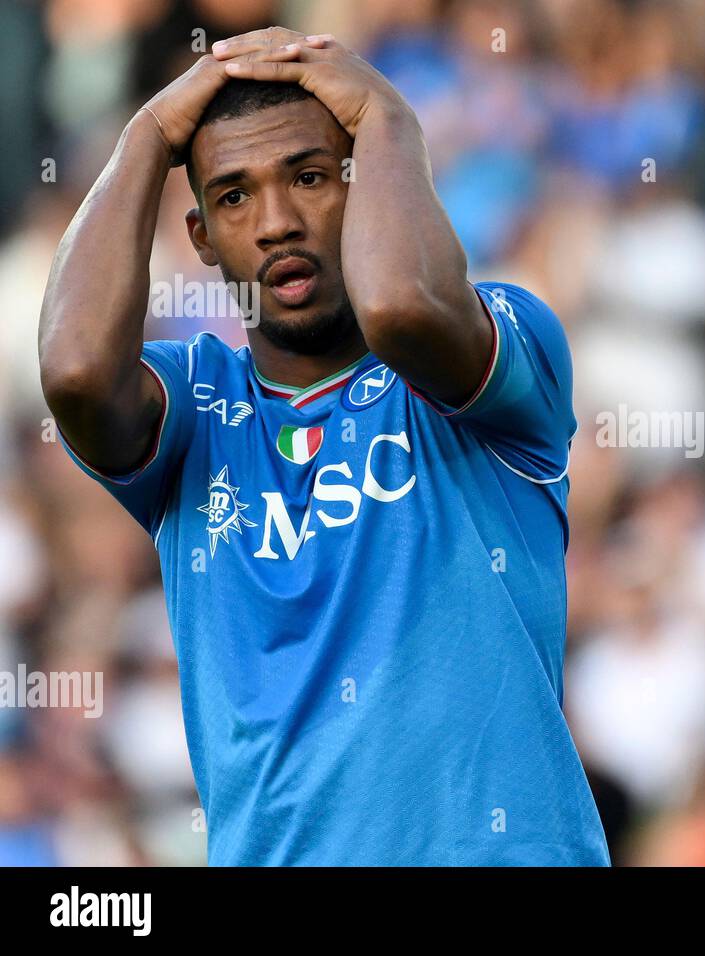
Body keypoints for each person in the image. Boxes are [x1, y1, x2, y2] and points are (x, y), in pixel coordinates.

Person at [37, 27, 609, 866]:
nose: (276, 222)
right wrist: (147, 135)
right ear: (199, 239)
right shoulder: (194, 406)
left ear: (366, 184)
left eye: (311, 178)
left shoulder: (508, 345)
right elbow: (78, 372)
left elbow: (405, 307)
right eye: (233, 196)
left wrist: (387, 117)